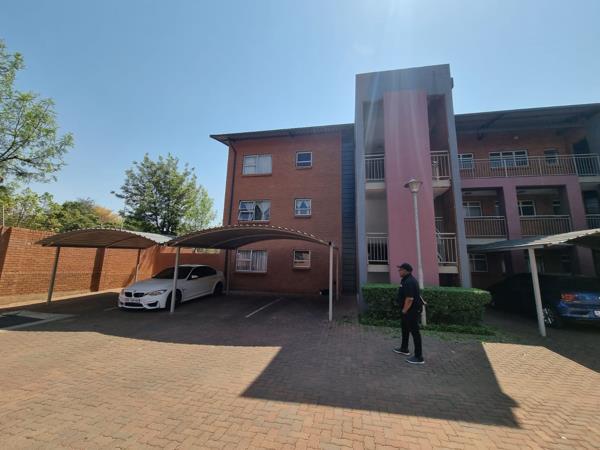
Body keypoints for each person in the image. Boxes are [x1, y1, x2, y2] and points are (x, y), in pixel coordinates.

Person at [393, 263, 424, 364]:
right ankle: (404, 348)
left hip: (411, 311)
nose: (399, 271)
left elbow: (410, 298)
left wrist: (404, 310)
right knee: (405, 329)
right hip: (407, 311)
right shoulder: (405, 280)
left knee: (415, 333)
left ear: (406, 271)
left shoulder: (409, 281)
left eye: (401, 269)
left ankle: (419, 357)